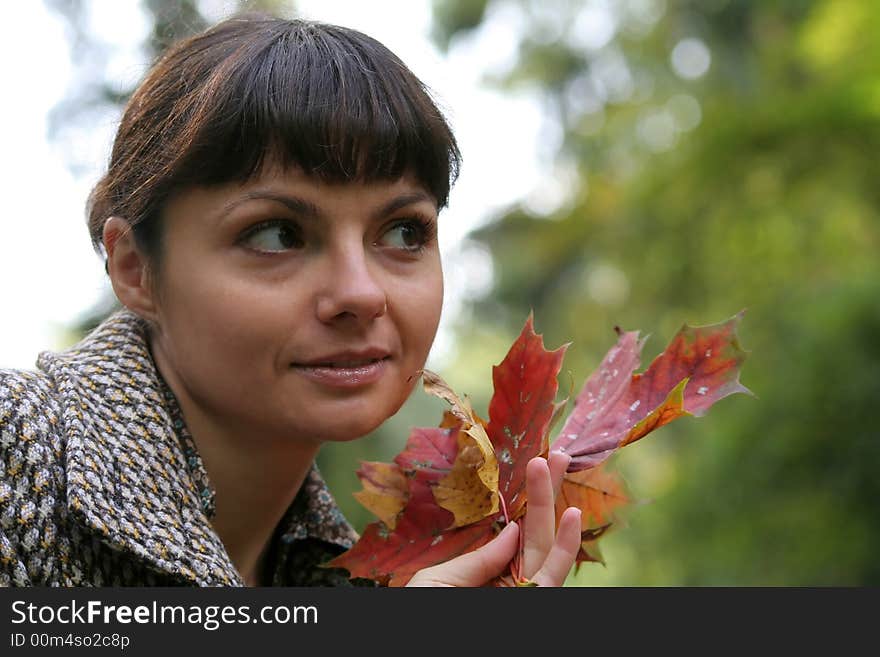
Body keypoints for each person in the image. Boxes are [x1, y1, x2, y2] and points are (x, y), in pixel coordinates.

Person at [0, 12, 581, 587]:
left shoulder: (334, 573)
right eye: (277, 234)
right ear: (135, 270)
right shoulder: (16, 457)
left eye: (404, 232)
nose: (360, 293)